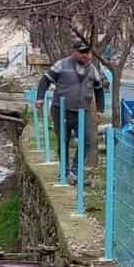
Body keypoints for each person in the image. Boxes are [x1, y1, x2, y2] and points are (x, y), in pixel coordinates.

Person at [36, 45, 105, 173]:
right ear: (74, 52)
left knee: (86, 140)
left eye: (87, 53)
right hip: (60, 110)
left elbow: (99, 89)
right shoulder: (62, 64)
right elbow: (45, 80)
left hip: (82, 111)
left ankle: (75, 171)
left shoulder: (92, 69)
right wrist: (40, 97)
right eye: (82, 52)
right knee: (63, 141)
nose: (85, 55)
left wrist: (100, 109)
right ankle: (65, 171)